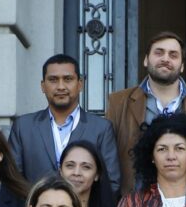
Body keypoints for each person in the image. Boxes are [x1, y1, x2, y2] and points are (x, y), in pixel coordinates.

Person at [107, 31, 186, 194]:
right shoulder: (118, 102)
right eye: (159, 52)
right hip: (135, 205)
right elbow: (108, 160)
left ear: (182, 65)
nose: (165, 59)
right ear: (146, 60)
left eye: (173, 55)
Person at [8, 54, 121, 193]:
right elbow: (12, 179)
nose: (61, 86)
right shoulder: (23, 127)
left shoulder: (101, 128)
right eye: (53, 80)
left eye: (68, 79)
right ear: (43, 86)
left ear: (80, 84)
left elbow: (111, 183)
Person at [58, 141, 119, 207]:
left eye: (86, 167)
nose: (76, 173)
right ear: (60, 171)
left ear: (97, 175)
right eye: (70, 166)